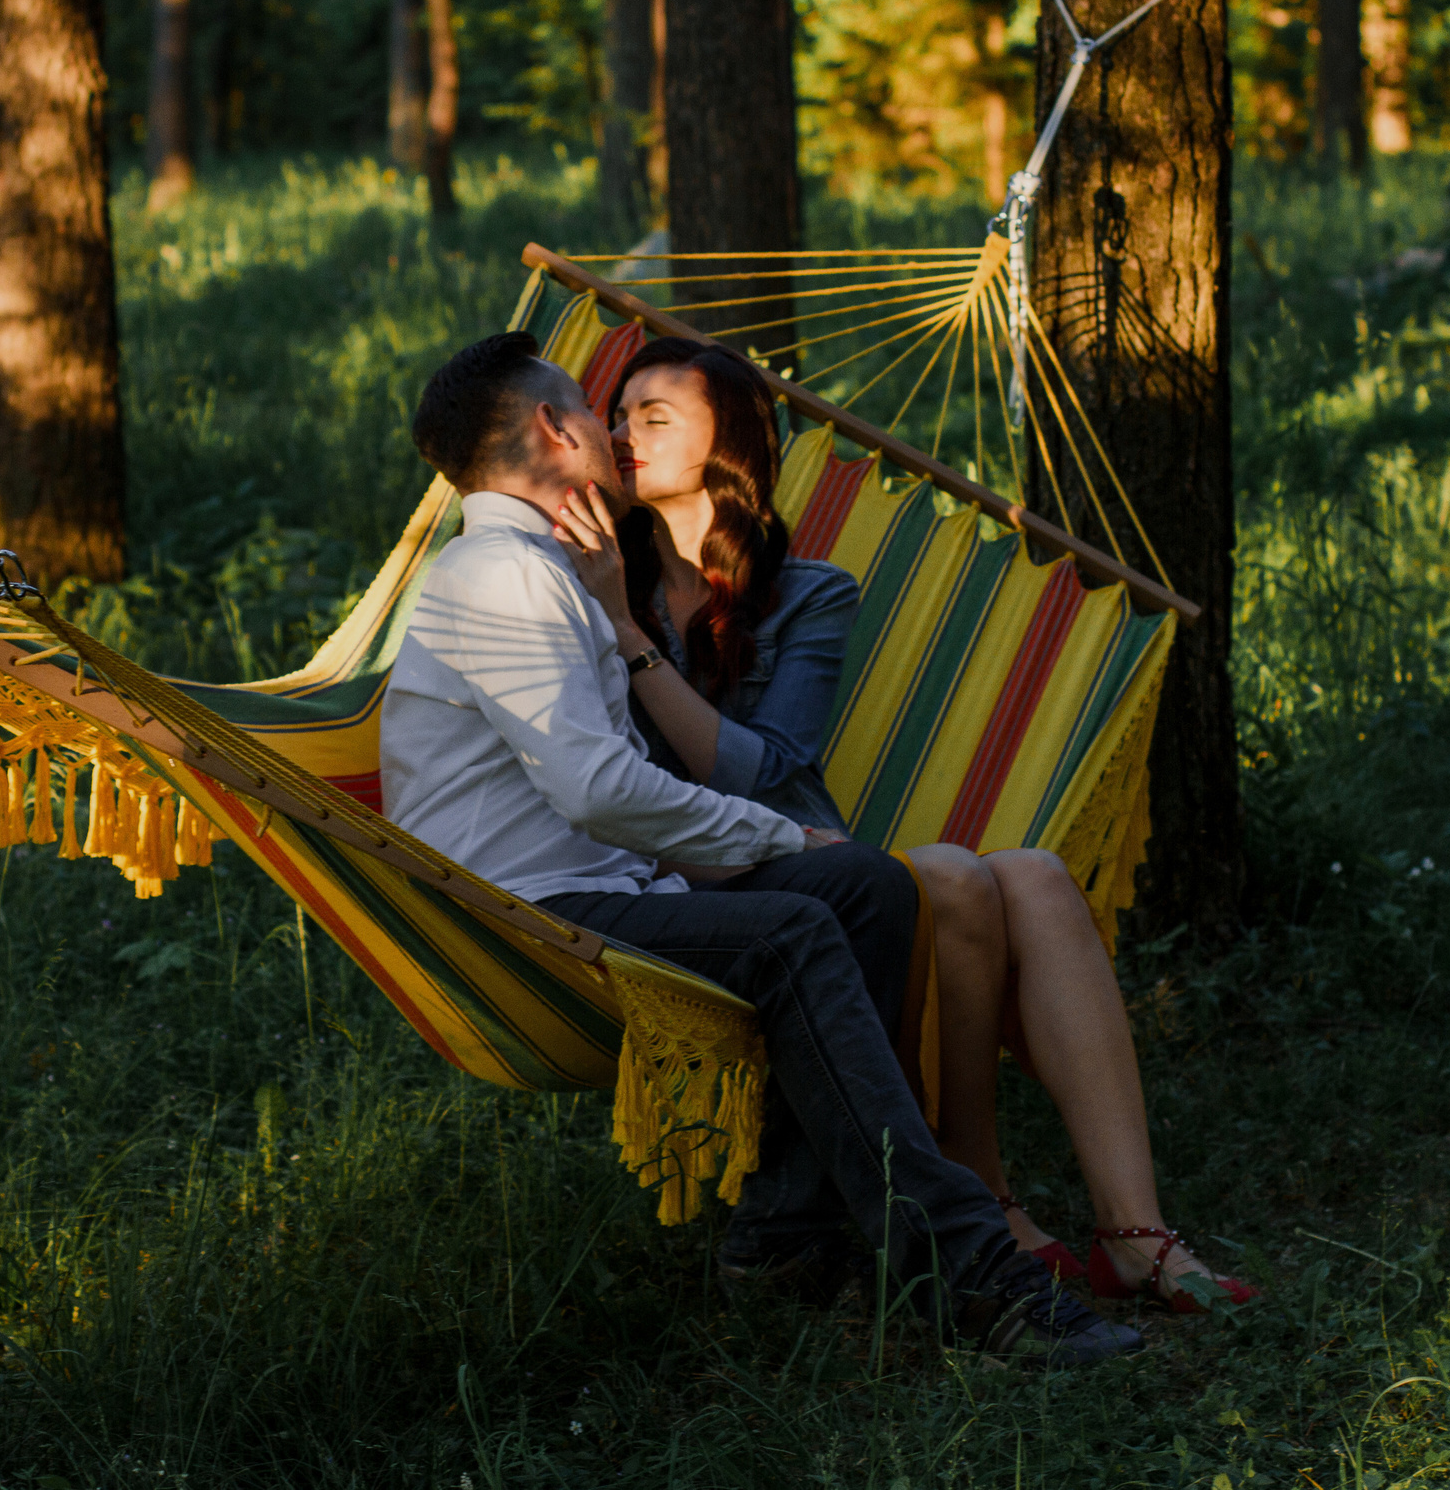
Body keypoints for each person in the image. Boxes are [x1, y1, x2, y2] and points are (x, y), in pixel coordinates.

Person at [378, 330, 1144, 1365]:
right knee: (791, 932)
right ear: (554, 429)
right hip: (528, 919)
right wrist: (776, 831)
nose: (610, 428)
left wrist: (782, 838)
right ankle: (974, 1276)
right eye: (593, 410)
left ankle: (786, 1237)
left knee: (864, 886)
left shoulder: (552, 569)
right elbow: (596, 787)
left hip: (605, 886)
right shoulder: (504, 576)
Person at [547, 335, 1255, 1315]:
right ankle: (987, 1200)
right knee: (959, 878)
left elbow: (773, 773)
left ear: (733, 441)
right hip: (695, 883)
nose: (622, 434)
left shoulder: (807, 593)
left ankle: (1134, 1231)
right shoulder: (581, 586)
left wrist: (635, 645)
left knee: (1036, 872)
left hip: (798, 855)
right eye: (617, 414)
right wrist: (624, 630)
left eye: (653, 415)